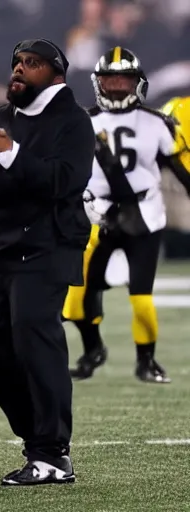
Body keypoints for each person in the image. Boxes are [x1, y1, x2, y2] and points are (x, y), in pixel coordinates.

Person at [0, 39, 94, 486]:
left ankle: (51, 453)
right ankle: (37, 435)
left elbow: (64, 182)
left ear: (57, 74)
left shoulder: (74, 122)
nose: (19, 69)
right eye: (16, 62)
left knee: (37, 343)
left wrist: (9, 152)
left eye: (31, 64)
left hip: (50, 245)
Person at [63, 49, 190, 383]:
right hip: (97, 214)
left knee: (142, 298)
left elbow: (178, 169)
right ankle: (93, 350)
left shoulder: (157, 122)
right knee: (76, 301)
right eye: (111, 81)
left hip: (143, 214)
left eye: (124, 81)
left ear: (138, 84)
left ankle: (146, 361)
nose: (117, 88)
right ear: (98, 84)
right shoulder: (83, 123)